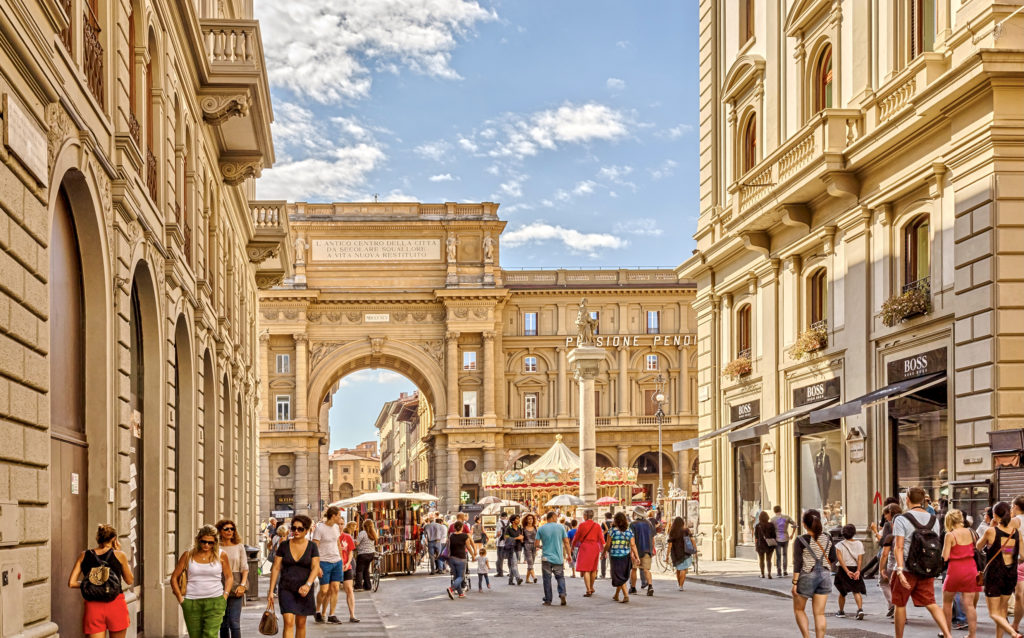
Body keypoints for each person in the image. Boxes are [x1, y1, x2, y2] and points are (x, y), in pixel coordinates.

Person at [893, 487, 953, 638]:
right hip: (926, 568)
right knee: (931, 603)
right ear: (922, 500)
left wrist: (899, 570)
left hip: (907, 568)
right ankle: (947, 634)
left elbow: (898, 547)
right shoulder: (934, 520)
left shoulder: (901, 519)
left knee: (900, 604)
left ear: (907, 499)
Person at [68, 524, 134, 638]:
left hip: (93, 607)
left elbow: (71, 583)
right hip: (116, 604)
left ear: (98, 538)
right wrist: (120, 554)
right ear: (114, 539)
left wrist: (91, 584)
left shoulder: (84, 555)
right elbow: (129, 580)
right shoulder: (120, 555)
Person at [171, 525, 233, 638]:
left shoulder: (221, 555)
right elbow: (174, 577)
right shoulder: (188, 555)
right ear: (198, 540)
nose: (206, 545)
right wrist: (181, 600)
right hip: (192, 603)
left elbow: (229, 576)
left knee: (210, 635)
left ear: (215, 542)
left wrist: (225, 596)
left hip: (215, 602)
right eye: (203, 542)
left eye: (210, 543)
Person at [266, 516, 319, 638]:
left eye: (300, 529)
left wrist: (308, 585)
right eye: (294, 528)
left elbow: (315, 567)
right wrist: (271, 591)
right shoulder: (284, 545)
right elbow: (276, 567)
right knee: (288, 622)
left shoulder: (312, 547)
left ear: (306, 530)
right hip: (286, 588)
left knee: (301, 623)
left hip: (304, 589)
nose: (296, 531)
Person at [978, 501, 1022, 638]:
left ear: (995, 515)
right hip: (1010, 573)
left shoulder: (991, 531)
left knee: (994, 613)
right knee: (1002, 611)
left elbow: (978, 546)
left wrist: (990, 527)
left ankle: (1013, 633)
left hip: (994, 575)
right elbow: (1021, 554)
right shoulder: (1016, 533)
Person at [791, 510, 835, 638]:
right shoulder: (828, 537)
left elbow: (797, 563)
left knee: (799, 609)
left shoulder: (800, 540)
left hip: (807, 575)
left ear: (804, 524)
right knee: (820, 614)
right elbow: (833, 558)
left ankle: (806, 636)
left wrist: (794, 583)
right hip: (825, 576)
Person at [941, 508, 981, 637]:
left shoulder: (950, 535)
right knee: (969, 605)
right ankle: (972, 634)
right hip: (971, 569)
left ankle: (947, 633)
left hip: (955, 570)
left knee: (947, 602)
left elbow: (945, 557)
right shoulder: (972, 532)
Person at [311, 507, 344, 624]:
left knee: (335, 588)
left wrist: (342, 559)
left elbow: (338, 543)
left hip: (337, 561)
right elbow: (314, 548)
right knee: (324, 590)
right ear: (333, 516)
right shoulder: (320, 529)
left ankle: (331, 614)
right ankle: (317, 610)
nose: (340, 518)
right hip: (324, 562)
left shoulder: (336, 527)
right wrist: (317, 566)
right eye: (339, 515)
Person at [215, 519, 248, 638]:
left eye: (232, 529)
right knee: (222, 623)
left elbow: (244, 567)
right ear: (220, 531)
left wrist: (242, 585)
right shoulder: (215, 547)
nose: (230, 531)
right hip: (218, 584)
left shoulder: (239, 546)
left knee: (234, 622)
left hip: (236, 584)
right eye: (226, 529)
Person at [602, 511, 640, 603]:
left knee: (618, 576)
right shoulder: (629, 531)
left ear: (616, 520)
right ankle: (616, 595)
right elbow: (633, 544)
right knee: (622, 576)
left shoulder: (612, 531)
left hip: (615, 556)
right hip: (626, 556)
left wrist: (603, 553)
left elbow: (607, 544)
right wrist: (637, 557)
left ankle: (626, 595)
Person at [536, 511, 571, 606]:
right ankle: (562, 593)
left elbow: (536, 544)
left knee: (547, 579)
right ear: (552, 517)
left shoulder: (541, 528)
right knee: (560, 577)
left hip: (546, 558)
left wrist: (543, 546)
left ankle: (548, 599)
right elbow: (566, 542)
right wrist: (569, 555)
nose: (557, 519)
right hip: (558, 557)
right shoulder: (561, 527)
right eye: (556, 517)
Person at [833, 524, 865, 620]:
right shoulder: (859, 543)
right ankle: (860, 609)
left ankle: (841, 611)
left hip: (843, 570)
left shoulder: (839, 545)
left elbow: (840, 560)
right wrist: (858, 571)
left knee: (842, 592)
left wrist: (847, 571)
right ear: (854, 533)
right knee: (856, 591)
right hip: (855, 568)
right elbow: (859, 559)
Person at [877, 503, 902, 620]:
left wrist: (882, 568)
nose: (885, 517)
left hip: (893, 563)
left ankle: (893, 606)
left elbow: (885, 551)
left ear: (890, 513)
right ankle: (896, 609)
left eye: (886, 514)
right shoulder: (906, 524)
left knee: (883, 582)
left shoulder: (889, 526)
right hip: (904, 562)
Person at [572, 510, 603, 597]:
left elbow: (576, 537)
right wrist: (603, 550)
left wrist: (572, 546)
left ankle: (588, 589)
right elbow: (601, 539)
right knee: (593, 569)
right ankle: (592, 587)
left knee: (586, 569)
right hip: (595, 547)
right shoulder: (597, 525)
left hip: (585, 547)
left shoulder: (582, 525)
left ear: (585, 516)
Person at [628, 508, 655, 596]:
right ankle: (650, 586)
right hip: (647, 549)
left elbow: (631, 539)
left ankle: (633, 588)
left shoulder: (632, 524)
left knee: (634, 569)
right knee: (646, 569)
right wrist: (652, 549)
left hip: (636, 550)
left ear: (636, 514)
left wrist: (632, 551)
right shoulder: (649, 523)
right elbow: (652, 537)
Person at [446, 521, 476, 599]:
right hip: (461, 558)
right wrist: (473, 555)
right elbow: (468, 547)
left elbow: (448, 547)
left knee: (456, 577)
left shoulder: (451, 536)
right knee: (461, 577)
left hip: (451, 558)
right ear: (462, 528)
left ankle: (460, 593)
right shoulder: (465, 536)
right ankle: (451, 589)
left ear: (454, 528)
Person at [338, 521, 359, 622]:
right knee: (329, 591)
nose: (340, 526)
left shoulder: (347, 537)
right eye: (338, 524)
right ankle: (323, 612)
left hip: (347, 566)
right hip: (335, 566)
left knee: (349, 590)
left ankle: (352, 615)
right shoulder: (331, 538)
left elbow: (350, 552)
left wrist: (347, 563)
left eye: (342, 524)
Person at [770, 506, 798, 577]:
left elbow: (771, 529)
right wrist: (792, 534)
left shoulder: (772, 519)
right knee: (785, 555)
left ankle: (779, 572)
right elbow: (795, 524)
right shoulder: (786, 517)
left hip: (777, 538)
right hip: (785, 538)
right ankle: (785, 570)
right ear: (781, 510)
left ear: (774, 511)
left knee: (778, 556)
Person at [667, 517, 694, 591]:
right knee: (683, 569)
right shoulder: (686, 530)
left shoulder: (672, 531)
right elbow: (692, 540)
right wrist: (695, 548)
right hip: (685, 552)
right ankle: (681, 586)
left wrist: (667, 555)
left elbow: (670, 544)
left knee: (678, 569)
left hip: (675, 553)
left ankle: (679, 584)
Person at [355, 519, 378, 592]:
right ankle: (368, 586)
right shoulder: (373, 533)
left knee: (359, 570)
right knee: (366, 570)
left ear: (364, 526)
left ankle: (359, 586)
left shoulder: (362, 533)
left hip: (362, 554)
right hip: (371, 554)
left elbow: (357, 543)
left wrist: (353, 541)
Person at [753, 510, 777, 579]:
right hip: (769, 545)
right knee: (769, 560)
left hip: (760, 545)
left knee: (761, 560)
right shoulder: (771, 525)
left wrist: (756, 545)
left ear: (760, 517)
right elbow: (774, 535)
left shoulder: (758, 526)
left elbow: (756, 537)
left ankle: (762, 574)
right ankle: (769, 574)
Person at [502, 514, 524, 585]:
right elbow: (506, 538)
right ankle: (518, 578)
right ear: (513, 521)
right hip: (511, 548)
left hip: (519, 547)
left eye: (519, 518)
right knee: (514, 564)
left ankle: (510, 580)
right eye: (517, 519)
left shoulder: (520, 527)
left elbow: (521, 537)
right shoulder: (508, 528)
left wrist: (521, 539)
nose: (519, 520)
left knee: (513, 565)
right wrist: (517, 538)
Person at [522, 513, 539, 583]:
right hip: (527, 546)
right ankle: (534, 576)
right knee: (530, 562)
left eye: (531, 518)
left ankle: (527, 579)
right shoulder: (523, 529)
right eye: (529, 519)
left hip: (534, 546)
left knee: (531, 563)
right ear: (526, 520)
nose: (530, 520)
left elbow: (537, 537)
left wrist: (538, 545)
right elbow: (522, 538)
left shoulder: (535, 527)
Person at [495, 512, 509, 578]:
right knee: (510, 558)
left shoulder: (499, 523)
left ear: (501, 516)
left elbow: (498, 533)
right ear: (506, 516)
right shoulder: (510, 523)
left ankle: (500, 572)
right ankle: (511, 572)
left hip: (500, 543)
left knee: (500, 559)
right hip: (508, 543)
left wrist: (495, 537)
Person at [599, 512, 614, 579]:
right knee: (612, 560)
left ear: (606, 517)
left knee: (603, 559)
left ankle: (603, 574)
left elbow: (601, 533)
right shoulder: (614, 523)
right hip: (612, 543)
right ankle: (612, 574)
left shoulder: (603, 523)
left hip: (604, 542)